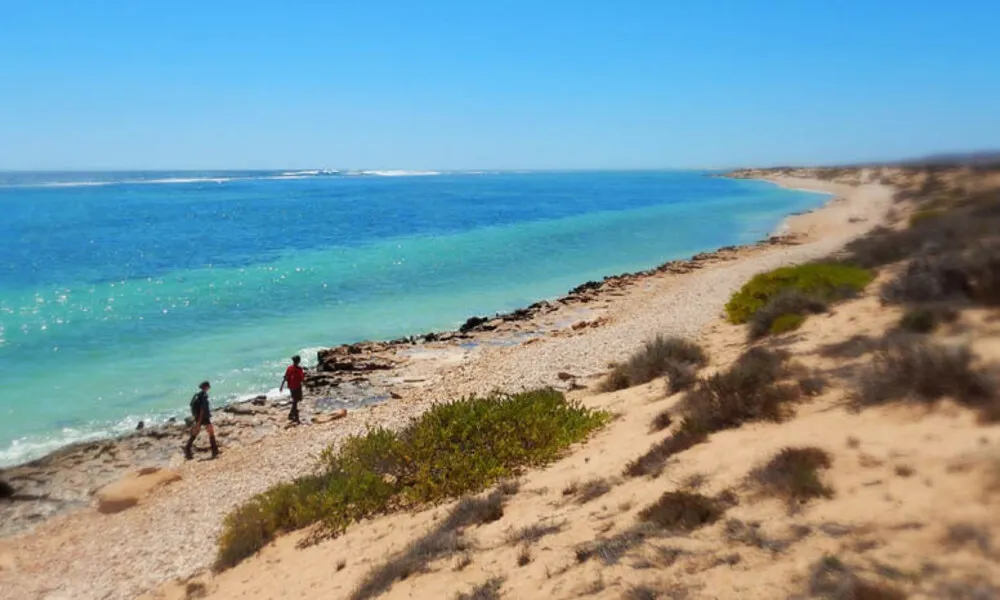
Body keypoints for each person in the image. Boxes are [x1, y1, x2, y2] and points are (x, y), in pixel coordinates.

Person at [184, 381, 219, 460]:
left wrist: (198, 420)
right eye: (208, 386)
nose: (209, 387)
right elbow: (202, 409)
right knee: (209, 431)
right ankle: (214, 450)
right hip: (203, 418)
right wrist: (199, 422)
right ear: (206, 387)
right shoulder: (203, 396)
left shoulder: (197, 395)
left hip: (200, 417)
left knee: (199, 432)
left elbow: (192, 405)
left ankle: (187, 449)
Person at [280, 355, 305, 424]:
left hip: (291, 386)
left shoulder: (289, 368)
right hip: (297, 386)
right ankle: (293, 415)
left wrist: (281, 386)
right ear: (298, 361)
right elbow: (302, 378)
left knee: (295, 400)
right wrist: (305, 383)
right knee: (295, 401)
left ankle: (292, 414)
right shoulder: (299, 369)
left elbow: (285, 377)